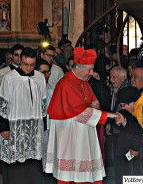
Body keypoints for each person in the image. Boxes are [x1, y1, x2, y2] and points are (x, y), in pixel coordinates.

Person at [45, 47, 119, 184]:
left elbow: (94, 102)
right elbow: (81, 113)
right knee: (72, 174)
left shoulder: (83, 82)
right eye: (89, 69)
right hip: (70, 136)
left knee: (85, 172)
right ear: (78, 68)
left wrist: (93, 107)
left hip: (84, 132)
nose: (92, 73)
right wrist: (110, 115)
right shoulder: (66, 84)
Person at [0, 47, 47, 184]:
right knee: (16, 166)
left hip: (35, 128)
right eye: (25, 64)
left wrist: (44, 127)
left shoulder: (40, 78)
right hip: (15, 128)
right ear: (19, 61)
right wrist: (4, 128)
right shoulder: (9, 78)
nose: (28, 68)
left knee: (34, 163)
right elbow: (2, 104)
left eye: (32, 65)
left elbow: (43, 104)